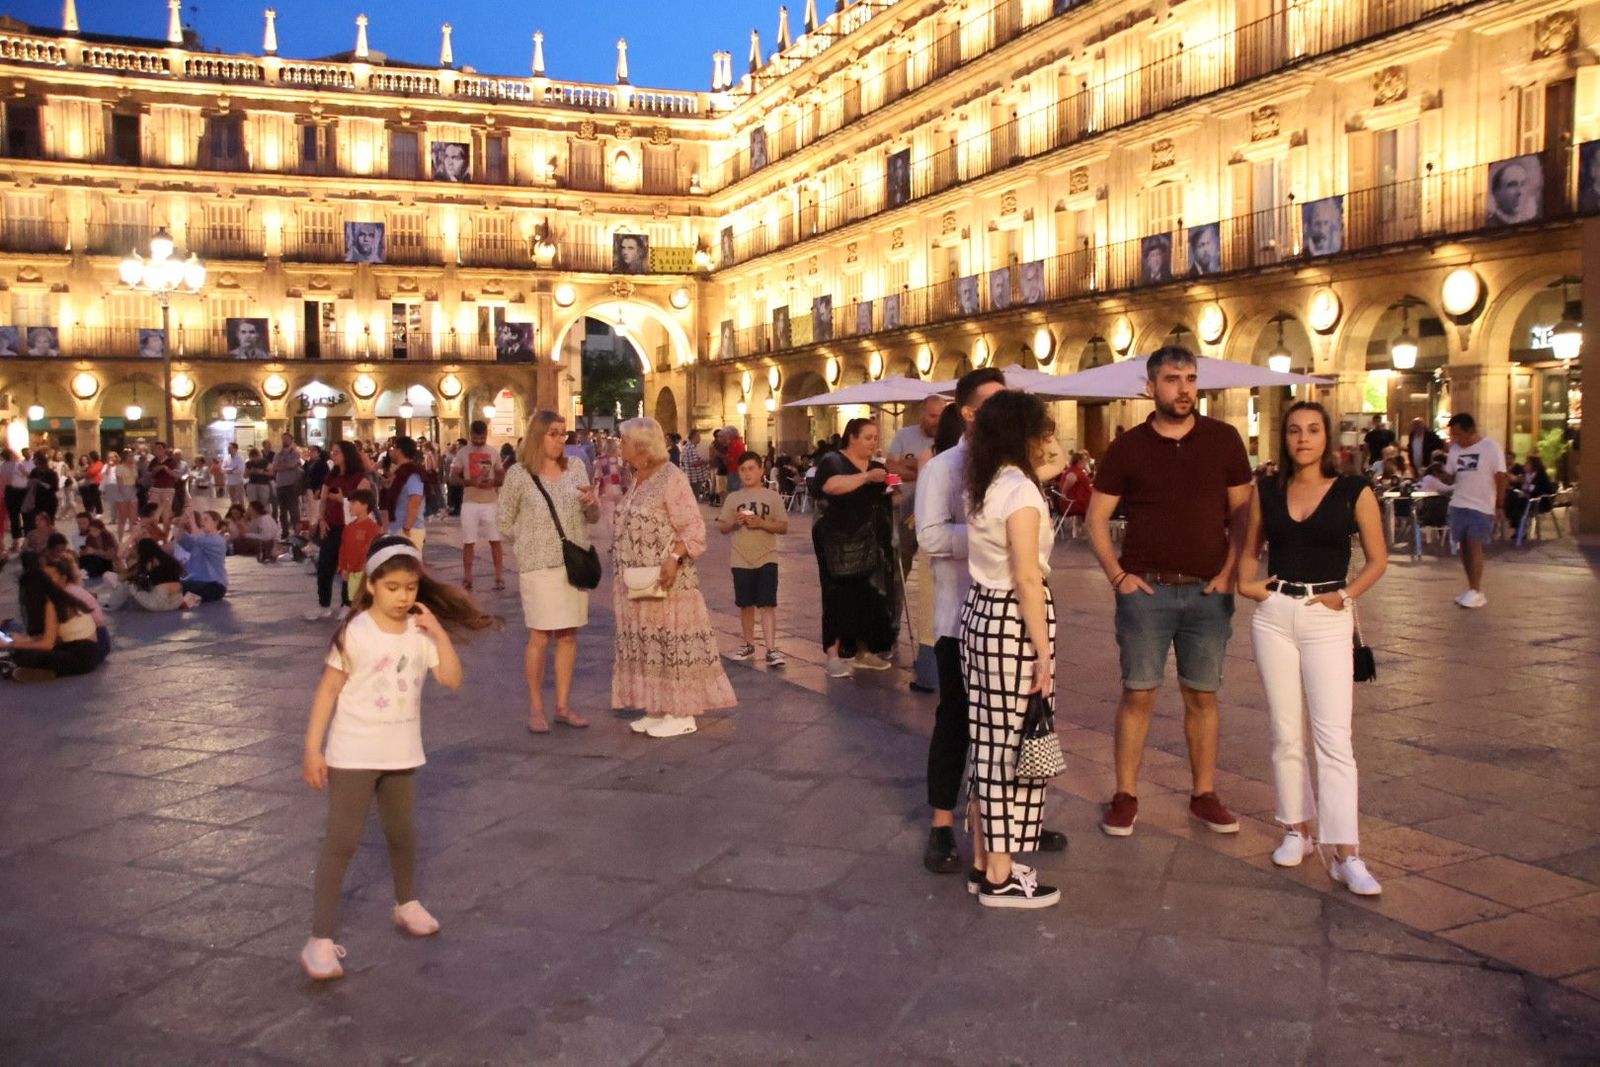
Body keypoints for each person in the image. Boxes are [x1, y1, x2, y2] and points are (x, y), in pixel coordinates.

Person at [299, 535, 489, 981]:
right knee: (342, 841)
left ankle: (406, 903)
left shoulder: (419, 634)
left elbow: (452, 679)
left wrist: (439, 633)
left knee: (402, 833)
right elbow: (327, 690)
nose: (403, 597)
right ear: (371, 585)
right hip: (353, 753)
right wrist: (313, 749)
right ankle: (319, 940)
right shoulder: (356, 633)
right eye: (393, 588)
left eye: (411, 587)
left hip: (401, 752)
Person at [1086, 346, 1253, 837]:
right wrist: (1118, 576)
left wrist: (1230, 574)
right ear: (1150, 387)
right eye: (1173, 379)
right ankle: (1125, 794)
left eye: (1191, 378)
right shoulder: (1128, 447)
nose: (1184, 388)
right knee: (1138, 693)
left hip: (1209, 592)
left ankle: (1203, 794)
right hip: (1147, 592)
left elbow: (1244, 514)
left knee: (1203, 695)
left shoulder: (1224, 440)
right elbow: (1097, 519)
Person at [917, 368, 1070, 875]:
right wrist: (998, 536)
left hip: (982, 607)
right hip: (977, 613)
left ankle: (996, 843)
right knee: (974, 730)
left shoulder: (996, 476)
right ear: (970, 413)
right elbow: (931, 539)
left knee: (997, 735)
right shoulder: (949, 470)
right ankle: (952, 828)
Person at [1238, 402, 1388, 896]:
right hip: (1276, 616)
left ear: (1328, 437)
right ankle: (1295, 829)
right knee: (1285, 732)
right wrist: (1248, 585)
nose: (1304, 438)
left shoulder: (1353, 489)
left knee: (1334, 738)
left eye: (1313, 430)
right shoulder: (1269, 489)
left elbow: (1377, 558)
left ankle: (1347, 850)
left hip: (1327, 615)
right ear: (1285, 439)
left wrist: (1344, 596)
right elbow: (1249, 549)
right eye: (1295, 431)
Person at [961, 389, 1062, 909]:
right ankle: (1001, 874)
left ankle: (983, 861)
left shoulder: (987, 484)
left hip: (980, 613)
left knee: (987, 741)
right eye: (1043, 430)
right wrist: (1044, 653)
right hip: (1013, 623)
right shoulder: (1019, 492)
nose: (1049, 438)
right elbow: (1026, 574)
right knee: (1012, 749)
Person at [610, 416, 735, 738]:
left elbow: (693, 528)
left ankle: (682, 712)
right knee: (649, 643)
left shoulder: (670, 477)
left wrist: (674, 557)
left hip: (668, 581)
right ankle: (658, 706)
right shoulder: (637, 477)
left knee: (671, 641)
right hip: (637, 581)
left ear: (640, 444)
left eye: (622, 439)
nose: (618, 444)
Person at [498, 410, 601, 733]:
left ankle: (562, 705)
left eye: (563, 433)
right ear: (538, 435)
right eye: (553, 433)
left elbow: (593, 517)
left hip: (573, 563)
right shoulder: (519, 474)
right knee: (540, 636)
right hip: (538, 565)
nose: (560, 440)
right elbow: (504, 520)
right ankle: (536, 707)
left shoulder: (577, 469)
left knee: (569, 635)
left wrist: (591, 503)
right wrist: (529, 540)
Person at [814, 418, 901, 677]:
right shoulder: (832, 461)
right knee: (837, 595)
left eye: (876, 437)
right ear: (852, 437)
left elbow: (894, 497)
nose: (873, 442)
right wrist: (865, 477)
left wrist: (892, 486)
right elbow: (831, 486)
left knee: (871, 595)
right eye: (868, 437)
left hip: (872, 541)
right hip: (838, 540)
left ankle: (865, 650)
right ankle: (834, 653)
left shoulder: (877, 466)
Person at [716, 452, 788, 667]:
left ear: (761, 471)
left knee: (767, 603)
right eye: (743, 469)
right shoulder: (733, 498)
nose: (747, 473)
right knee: (745, 603)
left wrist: (762, 523)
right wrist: (735, 523)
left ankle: (771, 648)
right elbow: (722, 526)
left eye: (751, 468)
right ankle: (748, 643)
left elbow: (783, 526)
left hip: (767, 557)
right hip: (741, 558)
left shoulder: (772, 497)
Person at [1435, 412, 1506, 608]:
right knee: (1464, 546)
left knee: (1475, 543)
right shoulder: (1455, 450)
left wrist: (1500, 504)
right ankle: (1471, 587)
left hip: (1481, 505)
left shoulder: (1490, 447)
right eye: (1452, 435)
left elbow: (1500, 476)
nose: (1455, 439)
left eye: (1457, 434)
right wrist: (1438, 472)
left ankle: (1476, 589)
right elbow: (1451, 478)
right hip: (1459, 503)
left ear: (1470, 430)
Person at [1, 568, 99, 683]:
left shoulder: (51, 604)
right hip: (86, 653)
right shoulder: (60, 598)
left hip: (79, 656)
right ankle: (44, 671)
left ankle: (46, 671)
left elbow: (47, 644)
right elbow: (53, 637)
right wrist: (25, 640)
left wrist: (11, 644)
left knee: (21, 655)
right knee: (22, 650)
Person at [450, 421, 506, 592]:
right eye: (476, 437)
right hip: (470, 501)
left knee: (495, 540)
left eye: (482, 437)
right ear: (470, 434)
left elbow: (502, 477)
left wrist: (494, 482)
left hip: (490, 501)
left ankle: (499, 576)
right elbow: (452, 478)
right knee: (469, 541)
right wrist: (470, 482)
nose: (479, 440)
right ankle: (468, 576)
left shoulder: (493, 452)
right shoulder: (462, 453)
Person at [99, 538, 185, 612]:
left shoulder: (148, 562)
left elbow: (123, 578)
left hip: (160, 603)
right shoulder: (169, 559)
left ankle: (110, 606)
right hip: (177, 602)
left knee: (127, 585)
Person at [173, 509, 229, 608]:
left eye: (206, 519)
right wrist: (180, 525)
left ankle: (189, 599)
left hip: (215, 585)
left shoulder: (218, 541)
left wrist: (191, 519)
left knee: (177, 588)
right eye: (201, 520)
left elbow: (198, 537)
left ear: (216, 522)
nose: (202, 522)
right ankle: (190, 599)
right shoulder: (199, 538)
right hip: (198, 582)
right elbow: (180, 539)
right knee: (172, 584)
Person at [337, 489, 382, 607]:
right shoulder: (349, 528)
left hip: (364, 573)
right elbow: (343, 549)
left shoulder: (373, 528)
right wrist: (343, 567)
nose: (349, 506)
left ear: (364, 506)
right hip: (351, 573)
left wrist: (359, 567)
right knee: (354, 603)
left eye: (353, 503)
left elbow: (369, 551)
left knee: (366, 603)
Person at [382, 436, 428, 549]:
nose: (390, 451)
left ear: (399, 450)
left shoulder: (412, 473)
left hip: (408, 530)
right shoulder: (399, 472)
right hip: (396, 527)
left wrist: (407, 527)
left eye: (393, 448)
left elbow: (415, 499)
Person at [1486, 159, 1535, 226]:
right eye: (1512, 185)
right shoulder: (1490, 224)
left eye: (1523, 184)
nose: (1519, 192)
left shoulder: (1532, 223)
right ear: (1496, 192)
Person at [272, 433, 304, 535]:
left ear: (291, 440)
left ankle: (296, 532)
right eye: (283, 439)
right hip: (280, 485)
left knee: (294, 509)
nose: (284, 441)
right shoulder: (277, 454)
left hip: (292, 484)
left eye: (287, 439)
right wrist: (287, 466)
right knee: (282, 510)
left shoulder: (295, 453)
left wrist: (283, 466)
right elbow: (275, 467)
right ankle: (284, 531)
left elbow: (293, 464)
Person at [680, 430, 711, 499]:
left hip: (694, 477)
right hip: (694, 478)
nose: (700, 438)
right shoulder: (691, 448)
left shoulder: (691, 446)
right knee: (694, 498)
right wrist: (706, 460)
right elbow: (694, 463)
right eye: (699, 436)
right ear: (694, 437)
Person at [223, 442, 247, 508]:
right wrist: (231, 469)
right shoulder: (227, 458)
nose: (229, 449)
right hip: (229, 482)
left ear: (235, 449)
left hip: (238, 482)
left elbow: (240, 470)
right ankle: (234, 515)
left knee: (240, 499)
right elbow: (223, 468)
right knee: (233, 500)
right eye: (228, 448)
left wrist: (231, 471)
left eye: (230, 448)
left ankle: (242, 514)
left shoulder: (240, 458)